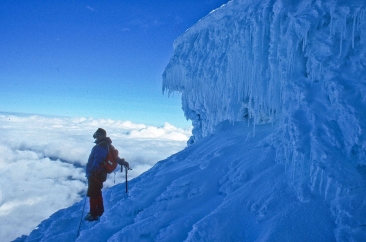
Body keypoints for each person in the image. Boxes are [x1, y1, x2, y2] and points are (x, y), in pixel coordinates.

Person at [85, 128, 129, 221]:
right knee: (97, 192)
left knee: (93, 193)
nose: (96, 137)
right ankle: (100, 210)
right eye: (96, 135)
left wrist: (92, 171)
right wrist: (122, 162)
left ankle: (93, 214)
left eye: (98, 135)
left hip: (96, 173)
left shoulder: (101, 146)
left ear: (102, 136)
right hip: (101, 173)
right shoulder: (108, 146)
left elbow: (98, 159)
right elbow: (115, 157)